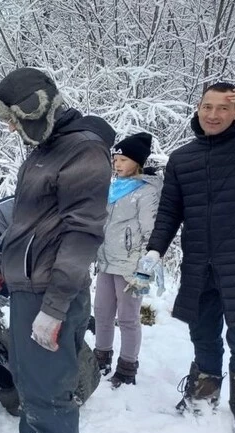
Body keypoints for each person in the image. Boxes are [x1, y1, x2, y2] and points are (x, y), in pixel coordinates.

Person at [0, 67, 114, 433]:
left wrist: (55, 309)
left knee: (49, 398)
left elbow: (82, 234)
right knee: (33, 391)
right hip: (29, 291)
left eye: (12, 120)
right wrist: (0, 266)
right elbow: (27, 222)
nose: (9, 130)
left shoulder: (83, 150)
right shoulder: (44, 152)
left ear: (34, 110)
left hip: (51, 294)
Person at [130, 83, 235, 433]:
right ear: (198, 108)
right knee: (203, 334)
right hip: (199, 263)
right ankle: (203, 397)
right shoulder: (183, 158)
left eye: (223, 108)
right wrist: (155, 250)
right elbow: (171, 210)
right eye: (207, 107)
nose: (213, 115)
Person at [93, 132, 161, 388]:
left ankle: (128, 366)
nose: (117, 163)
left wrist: (143, 268)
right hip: (107, 261)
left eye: (123, 159)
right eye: (116, 159)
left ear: (138, 161)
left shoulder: (146, 192)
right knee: (101, 311)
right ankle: (101, 356)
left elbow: (150, 232)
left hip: (131, 265)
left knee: (128, 317)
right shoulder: (113, 188)